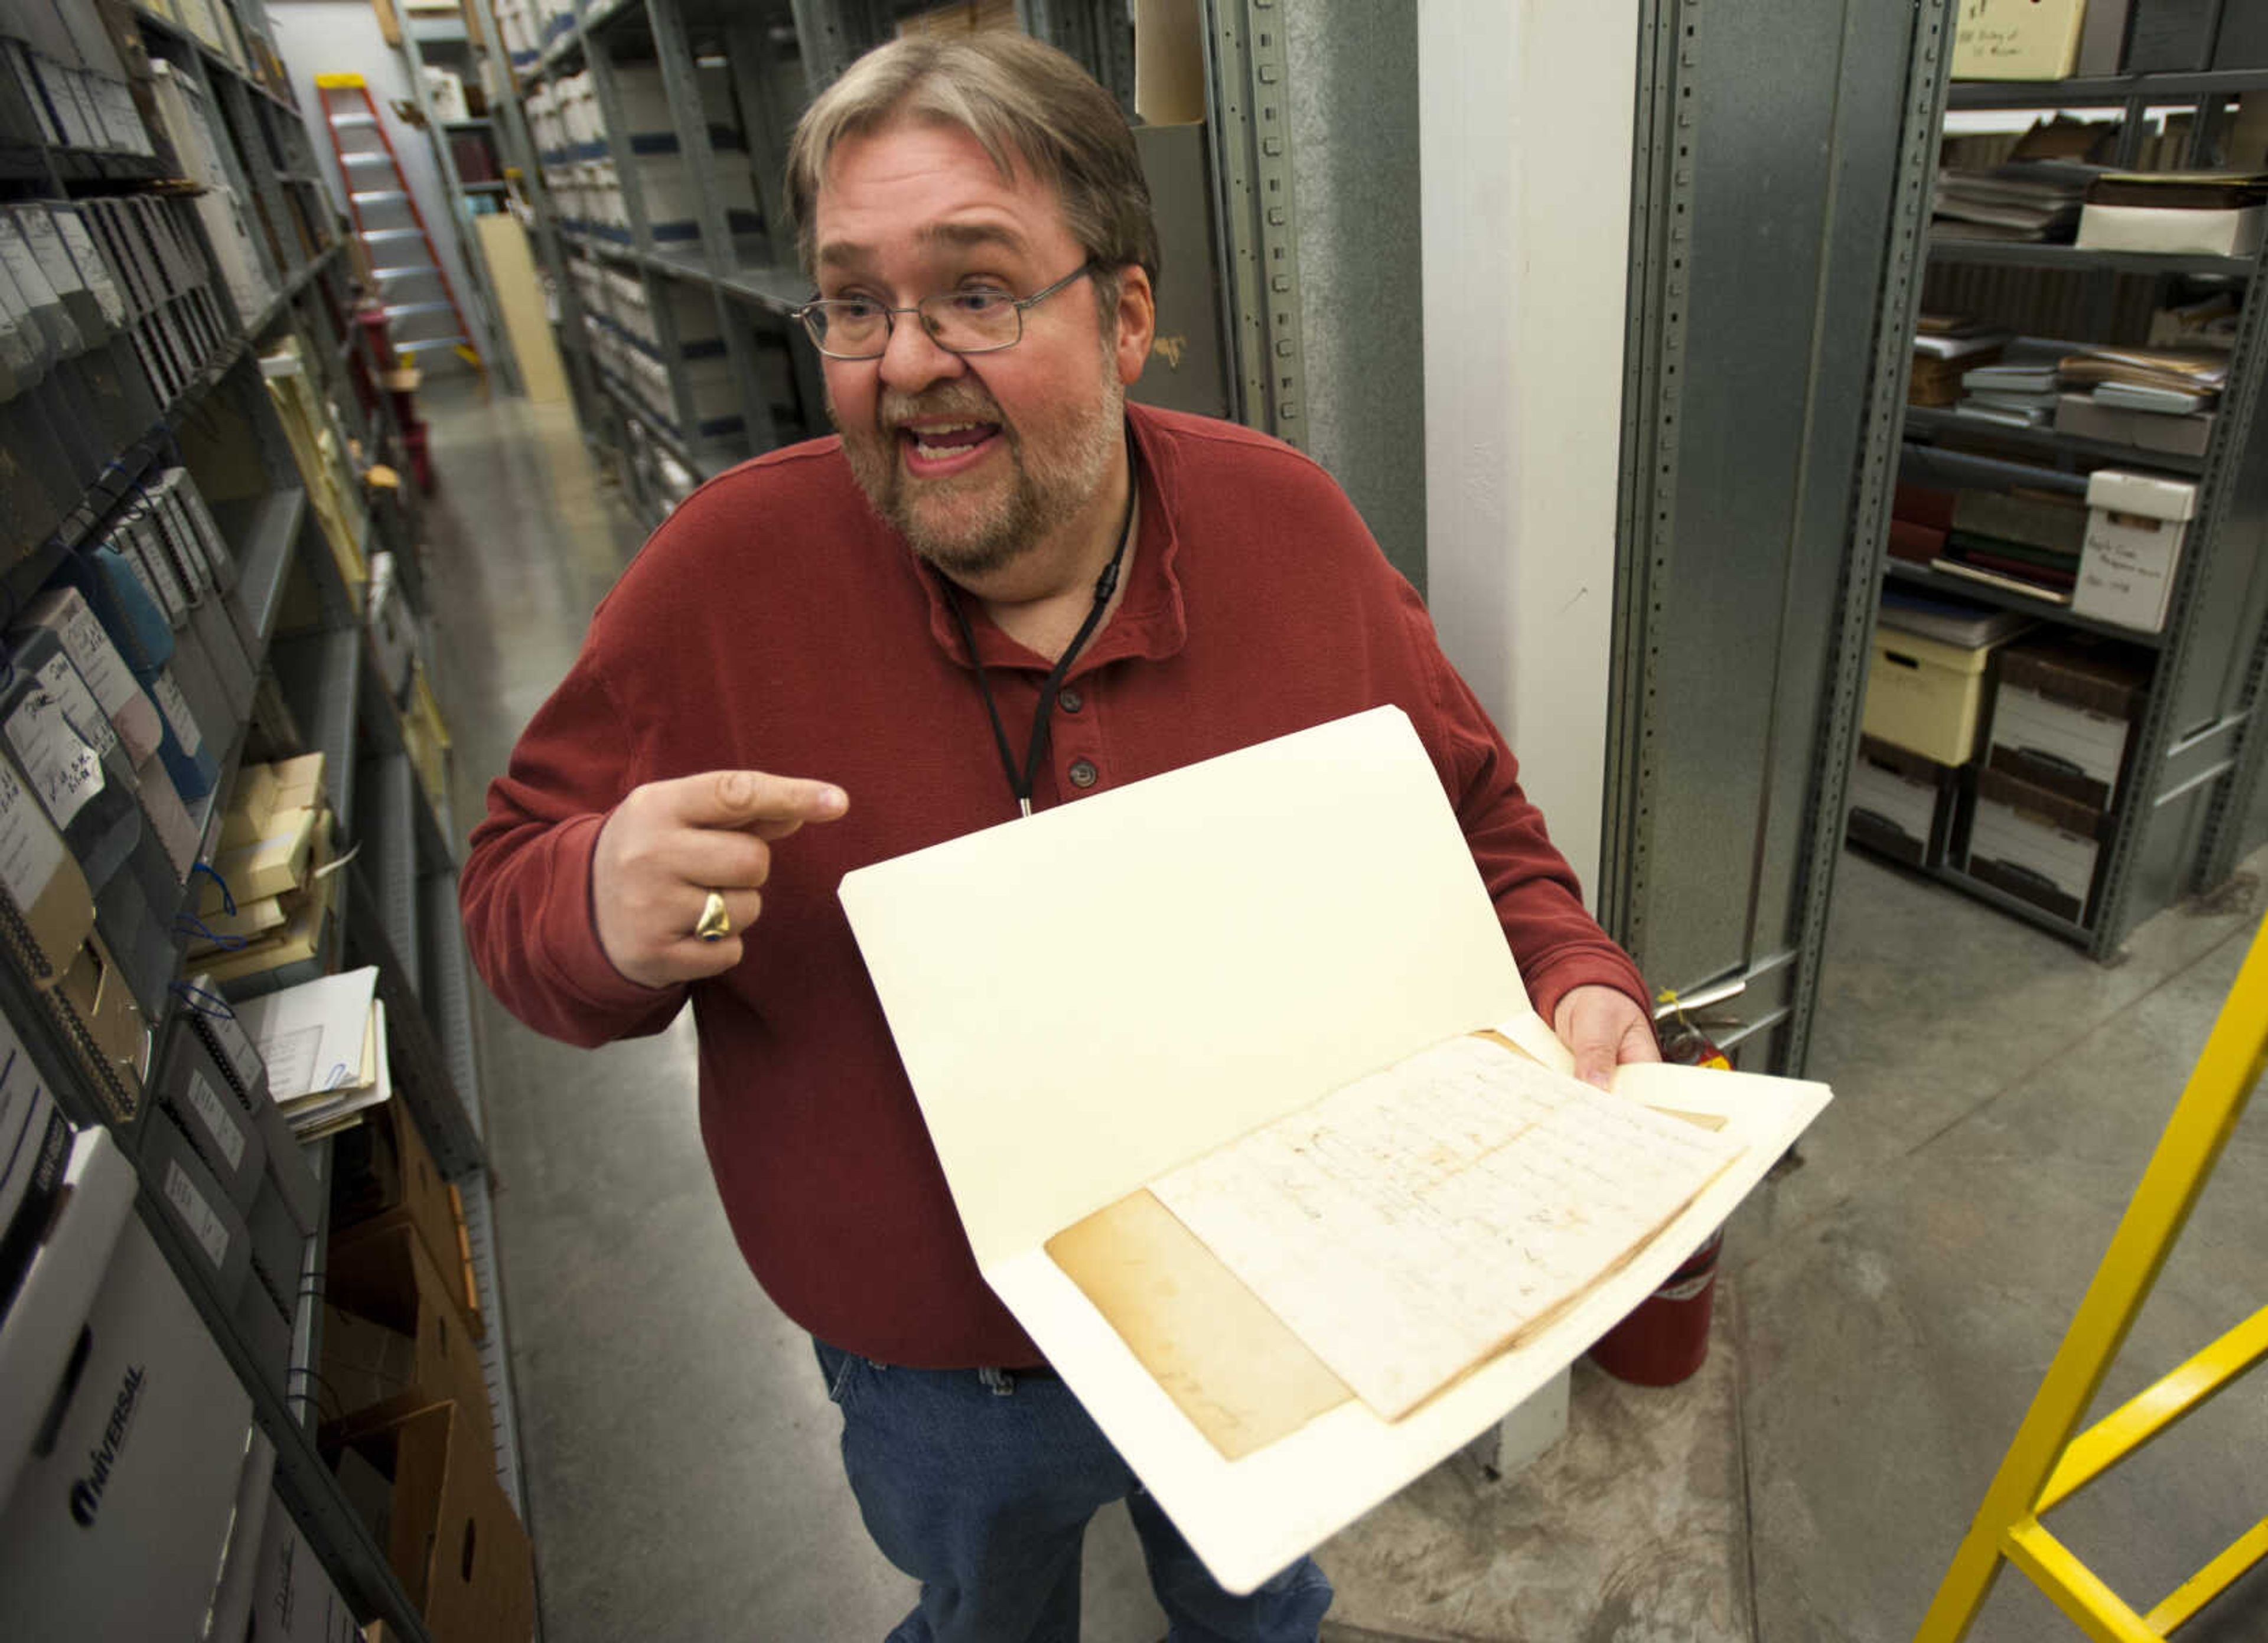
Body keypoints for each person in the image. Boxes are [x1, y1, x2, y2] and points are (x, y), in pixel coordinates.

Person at [461, 30, 1660, 1643]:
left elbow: (1477, 810)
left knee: (1258, 1585)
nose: (905, 360)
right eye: (857, 302)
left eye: (976, 289)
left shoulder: (1287, 529)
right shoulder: (723, 578)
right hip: (948, 1374)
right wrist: (596, 904)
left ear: (1130, 316)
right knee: (989, 1613)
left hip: (1285, 1292)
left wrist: (1576, 971)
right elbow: (511, 886)